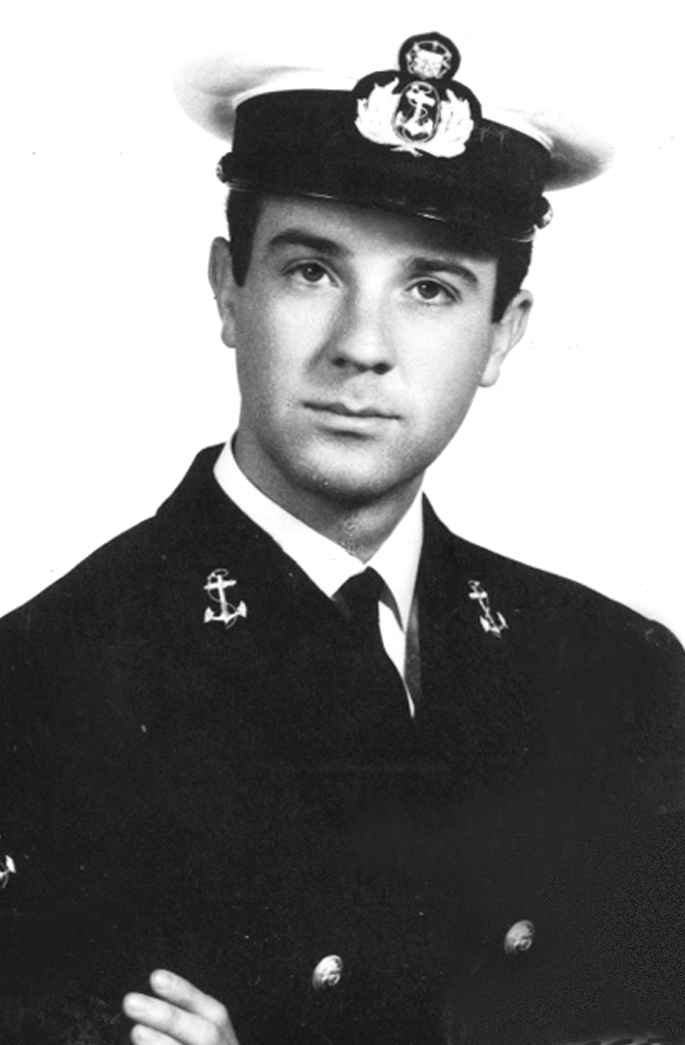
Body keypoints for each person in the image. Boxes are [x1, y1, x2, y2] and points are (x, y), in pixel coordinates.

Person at [1, 28, 685, 1045]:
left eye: (431, 288)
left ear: (502, 332)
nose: (362, 347)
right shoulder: (39, 690)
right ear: (228, 289)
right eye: (312, 271)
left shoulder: (621, 676)